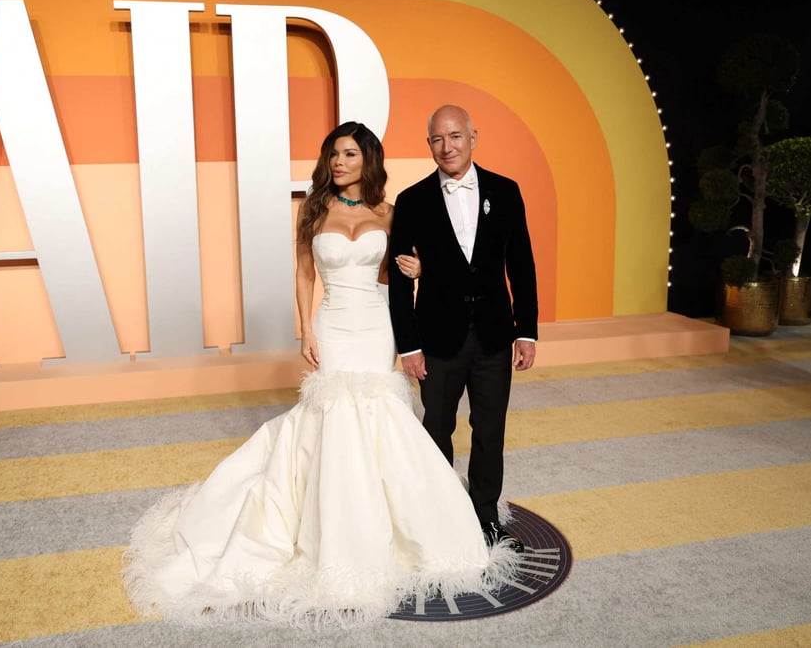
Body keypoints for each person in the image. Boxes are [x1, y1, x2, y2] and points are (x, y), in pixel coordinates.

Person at [122, 121, 520, 627]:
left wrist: (419, 274)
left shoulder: (393, 211)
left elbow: (399, 274)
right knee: (333, 416)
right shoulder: (314, 209)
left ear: (367, 160)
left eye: (350, 154)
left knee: (379, 417)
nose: (339, 162)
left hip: (377, 326)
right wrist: (305, 330)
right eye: (333, 153)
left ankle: (402, 525)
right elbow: (305, 272)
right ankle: (332, 529)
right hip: (333, 324)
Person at [387, 105, 538, 549]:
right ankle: (440, 514)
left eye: (455, 136)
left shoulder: (505, 192)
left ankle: (486, 515)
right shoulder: (412, 201)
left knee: (490, 429)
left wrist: (525, 331)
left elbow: (522, 266)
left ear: (474, 137)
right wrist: (408, 345)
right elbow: (399, 281)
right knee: (436, 429)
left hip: (494, 334)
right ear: (428, 145)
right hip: (436, 338)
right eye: (437, 139)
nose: (446, 146)